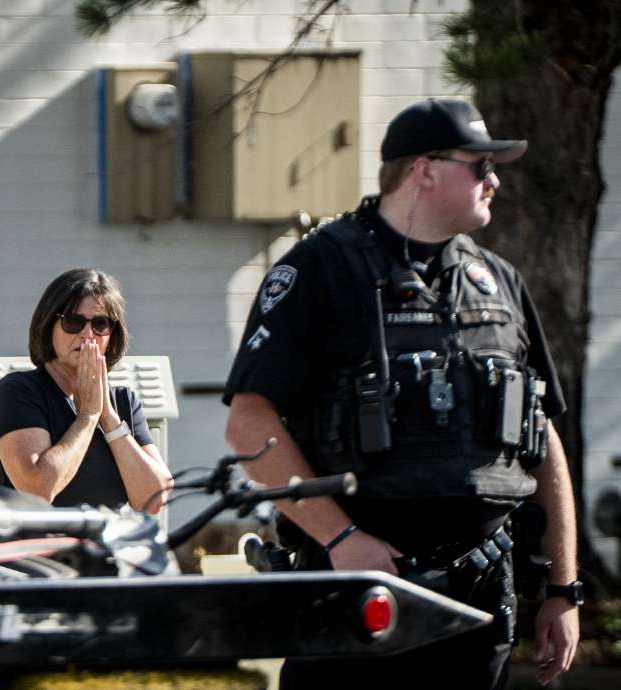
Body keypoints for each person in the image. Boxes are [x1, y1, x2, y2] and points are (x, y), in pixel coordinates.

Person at [222, 99, 580, 688]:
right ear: (425, 170)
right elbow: (248, 423)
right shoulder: (320, 270)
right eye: (480, 166)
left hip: (479, 595)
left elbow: (542, 440)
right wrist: (342, 539)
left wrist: (564, 589)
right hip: (353, 590)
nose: (494, 181)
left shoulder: (499, 282)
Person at [0, 268, 172, 513]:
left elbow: (155, 500)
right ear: (48, 325)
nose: (87, 334)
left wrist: (109, 419)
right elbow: (37, 490)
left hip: (103, 538)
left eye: (100, 324)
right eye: (73, 322)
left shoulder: (123, 401)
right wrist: (87, 418)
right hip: (34, 538)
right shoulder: (19, 391)